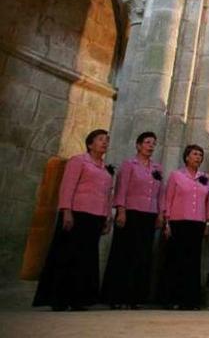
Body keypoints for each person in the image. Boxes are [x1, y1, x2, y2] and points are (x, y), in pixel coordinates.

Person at [33, 129, 114, 311]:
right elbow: (67, 187)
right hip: (77, 214)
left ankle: (79, 299)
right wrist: (66, 211)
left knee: (87, 258)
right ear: (90, 143)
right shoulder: (78, 161)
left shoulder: (105, 168)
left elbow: (108, 194)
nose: (105, 143)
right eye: (100, 139)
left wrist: (108, 217)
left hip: (96, 217)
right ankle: (60, 299)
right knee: (68, 255)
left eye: (107, 140)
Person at [101, 131, 163, 309]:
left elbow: (160, 193)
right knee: (124, 254)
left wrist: (159, 213)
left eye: (153, 143)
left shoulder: (157, 168)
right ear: (138, 145)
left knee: (143, 256)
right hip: (131, 213)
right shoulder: (129, 165)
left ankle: (135, 297)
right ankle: (117, 296)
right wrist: (121, 211)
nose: (151, 146)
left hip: (149, 214)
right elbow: (121, 189)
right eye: (147, 142)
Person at [160, 144, 209, 310]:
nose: (198, 157)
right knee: (176, 260)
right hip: (178, 222)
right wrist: (166, 221)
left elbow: (208, 202)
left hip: (197, 223)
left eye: (200, 155)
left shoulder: (205, 178)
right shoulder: (176, 176)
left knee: (193, 262)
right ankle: (171, 298)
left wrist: (208, 222)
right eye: (195, 154)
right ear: (187, 157)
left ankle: (190, 300)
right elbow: (168, 198)